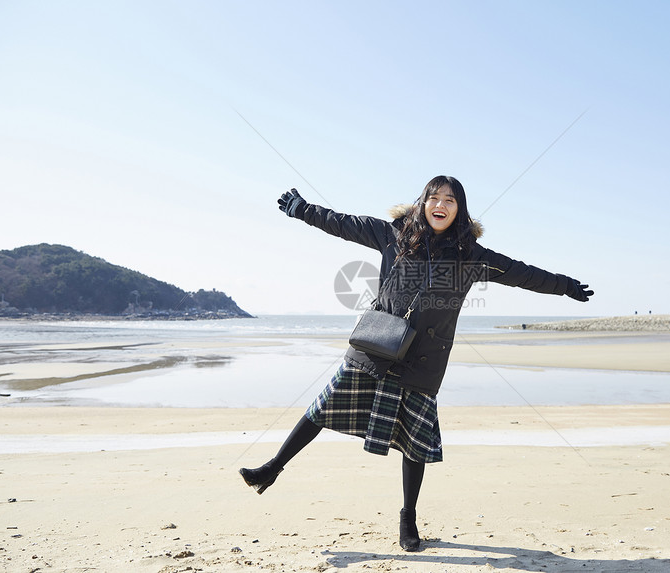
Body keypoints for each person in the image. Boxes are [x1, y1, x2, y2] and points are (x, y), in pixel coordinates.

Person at [240, 175, 594, 551]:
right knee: (322, 408)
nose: (440, 205)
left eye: (450, 200)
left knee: (415, 443)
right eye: (434, 197)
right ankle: (273, 467)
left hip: (424, 357)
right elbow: (342, 224)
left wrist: (565, 285)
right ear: (423, 202)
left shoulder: (470, 255)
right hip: (376, 345)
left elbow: (522, 273)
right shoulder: (392, 234)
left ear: (460, 210)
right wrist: (303, 210)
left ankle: (407, 518)